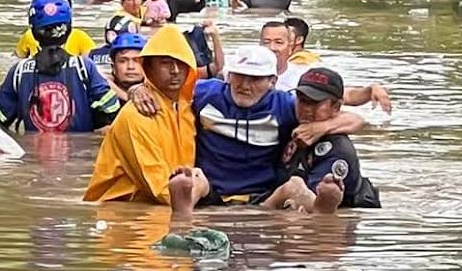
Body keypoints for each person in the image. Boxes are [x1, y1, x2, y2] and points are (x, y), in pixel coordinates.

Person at [154, 45, 366, 218]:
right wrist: (140, 90)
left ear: (272, 81)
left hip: (263, 196)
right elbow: (162, 91)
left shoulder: (285, 106)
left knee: (295, 187)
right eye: (239, 76)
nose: (245, 85)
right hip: (210, 188)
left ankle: (322, 212)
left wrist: (320, 127)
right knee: (193, 177)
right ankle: (182, 217)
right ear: (229, 75)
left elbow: (356, 120)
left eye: (255, 79)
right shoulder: (205, 94)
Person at [83, 25, 197, 204]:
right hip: (121, 211)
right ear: (148, 68)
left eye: (182, 62)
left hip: (166, 201)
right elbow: (162, 192)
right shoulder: (137, 115)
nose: (175, 70)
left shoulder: (188, 109)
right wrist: (205, 194)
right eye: (165, 63)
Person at [0, 0, 120, 133]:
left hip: (34, 147)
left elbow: (0, 119)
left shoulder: (18, 72)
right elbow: (111, 110)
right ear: (69, 29)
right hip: (80, 146)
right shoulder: (84, 67)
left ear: (34, 32)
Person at [262, 67, 381, 212]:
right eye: (302, 100)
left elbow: (310, 206)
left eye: (314, 103)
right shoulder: (292, 123)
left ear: (336, 107)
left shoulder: (338, 150)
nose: (306, 108)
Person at [258, 21, 392, 109]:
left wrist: (369, 91)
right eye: (266, 42)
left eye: (278, 42)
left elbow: (345, 95)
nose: (272, 48)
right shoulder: (247, 74)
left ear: (290, 47)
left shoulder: (305, 74)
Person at [107, 31, 147, 100]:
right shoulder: (101, 88)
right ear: (113, 67)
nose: (130, 67)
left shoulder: (159, 90)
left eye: (137, 61)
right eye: (123, 61)